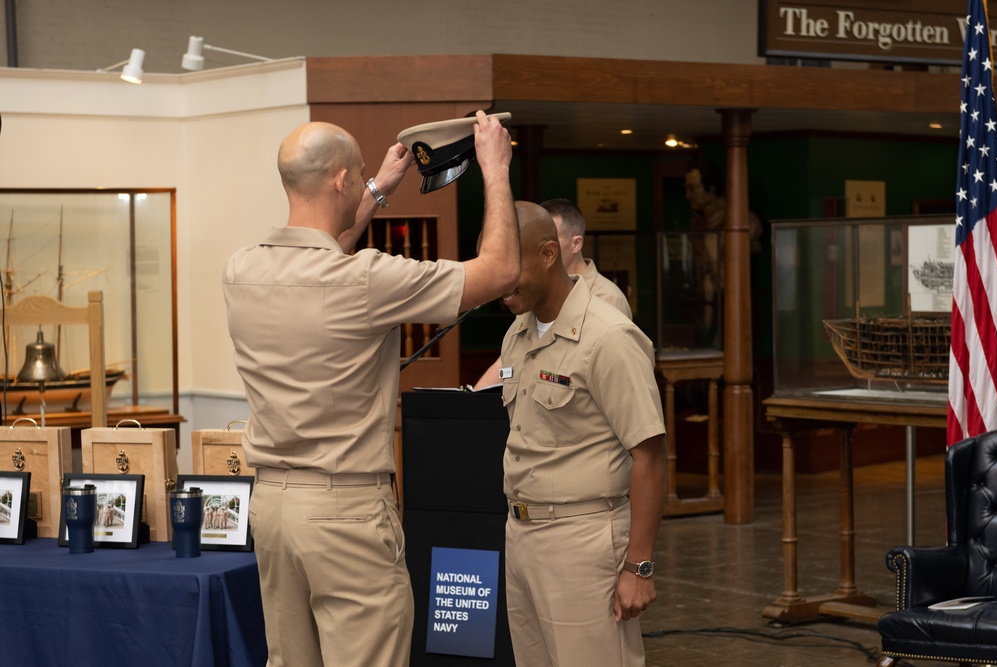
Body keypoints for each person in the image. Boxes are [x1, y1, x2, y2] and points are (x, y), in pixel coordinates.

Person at [222, 111, 519, 667]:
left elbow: (321, 249)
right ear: (340, 182)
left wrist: (379, 186)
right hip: (344, 513)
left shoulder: (242, 270)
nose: (362, 184)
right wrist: (494, 169)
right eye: (357, 177)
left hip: (272, 509)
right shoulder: (365, 280)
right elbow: (500, 270)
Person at [498, 201, 667, 666]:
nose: (498, 281)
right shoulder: (517, 332)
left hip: (583, 540)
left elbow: (650, 456)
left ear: (549, 254)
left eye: (508, 265)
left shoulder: (609, 336)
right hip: (521, 536)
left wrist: (638, 566)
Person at [473, 197, 629, 389]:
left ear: (575, 244)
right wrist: (470, 402)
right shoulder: (532, 297)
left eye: (551, 237)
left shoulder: (607, 301)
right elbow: (507, 364)